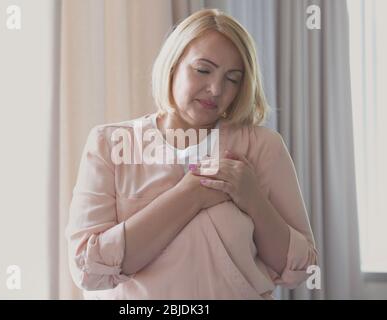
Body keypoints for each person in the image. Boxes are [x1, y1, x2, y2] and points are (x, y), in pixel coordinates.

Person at [65, 8, 317, 300]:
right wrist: (191, 194)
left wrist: (253, 199)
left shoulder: (262, 147)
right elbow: (88, 270)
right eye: (203, 70)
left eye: (232, 78)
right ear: (173, 65)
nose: (215, 89)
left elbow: (299, 269)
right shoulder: (110, 144)